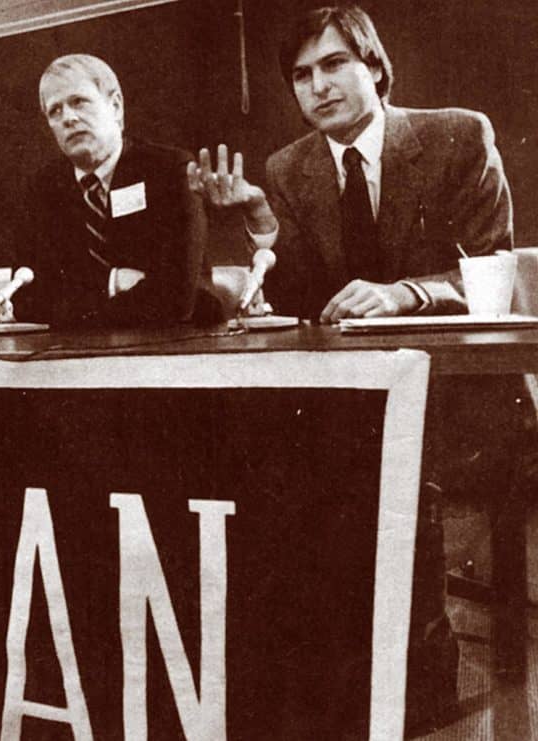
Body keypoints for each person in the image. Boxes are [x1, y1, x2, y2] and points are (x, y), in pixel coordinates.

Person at [190, 6, 533, 733]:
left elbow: (492, 266)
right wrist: (258, 221)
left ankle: (430, 693)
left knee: (391, 500)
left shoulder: (456, 134)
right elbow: (303, 299)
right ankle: (347, 690)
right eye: (301, 75)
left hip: (459, 399)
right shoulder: (288, 168)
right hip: (357, 405)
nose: (317, 87)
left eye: (333, 65)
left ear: (374, 66)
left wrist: (406, 292)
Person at [11, 54, 221, 328]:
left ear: (115, 106)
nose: (69, 118)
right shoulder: (42, 190)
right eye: (55, 111)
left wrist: (77, 304)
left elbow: (176, 297)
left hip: (179, 345)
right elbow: (27, 302)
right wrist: (114, 281)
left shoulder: (170, 170)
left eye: (79, 102)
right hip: (83, 355)